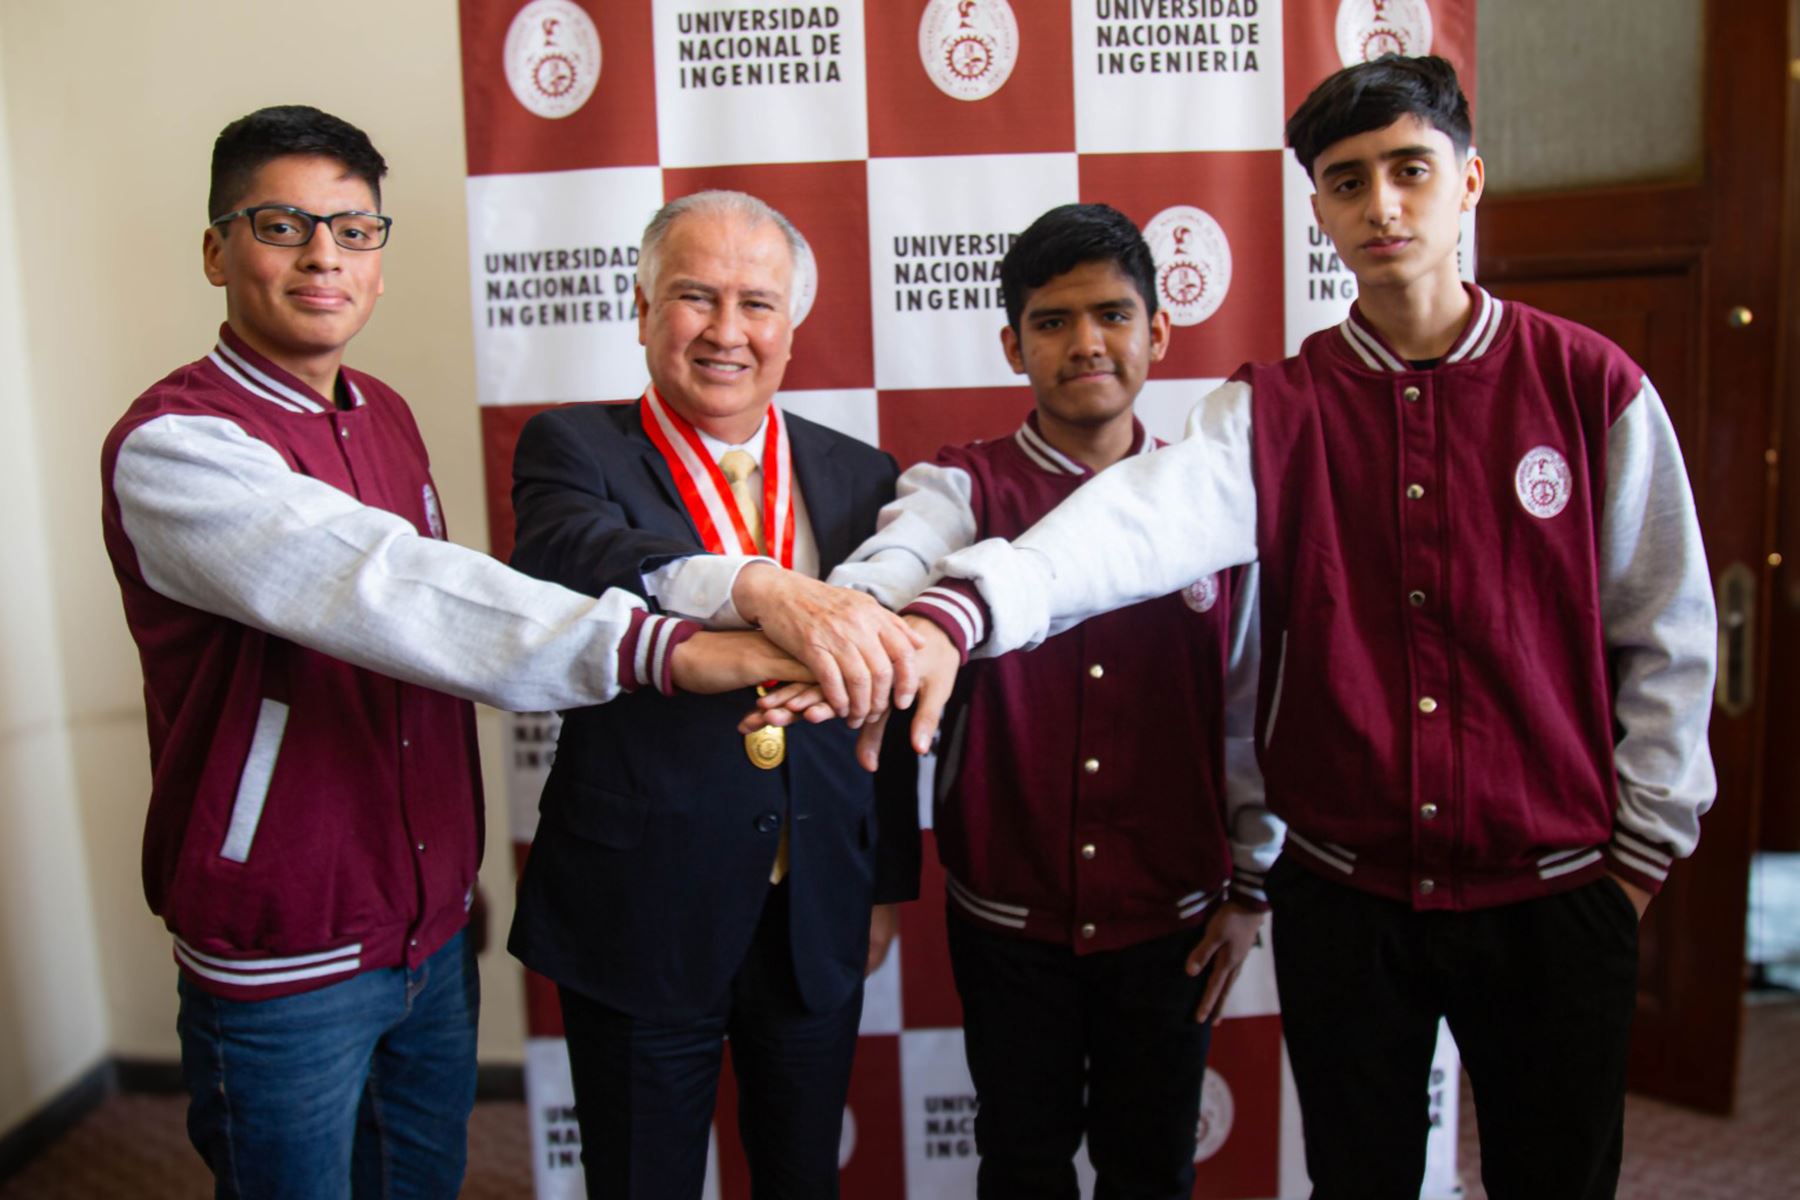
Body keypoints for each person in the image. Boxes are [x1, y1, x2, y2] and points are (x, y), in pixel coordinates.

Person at [785, 56, 1719, 1199]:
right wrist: (951, 614)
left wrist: (1637, 859)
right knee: (1356, 1182)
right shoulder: (1271, 412)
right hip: (1350, 899)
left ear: (1468, 182)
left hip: (1556, 889)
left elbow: (1667, 631)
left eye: (1410, 171)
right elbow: (1122, 526)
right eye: (1346, 181)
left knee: (1558, 1179)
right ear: (1317, 207)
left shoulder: (1593, 387)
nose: (1380, 206)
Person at [99, 107, 802, 1200]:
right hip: (287, 954)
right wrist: (674, 649)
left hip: (426, 933)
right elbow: (398, 595)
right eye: (282, 225)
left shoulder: (382, 415)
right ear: (215, 249)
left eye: (354, 229)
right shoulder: (176, 449)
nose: (324, 255)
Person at [817, 203, 1283, 1198]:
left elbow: (1248, 714)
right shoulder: (960, 489)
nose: (1086, 344)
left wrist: (1253, 885)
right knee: (1020, 1165)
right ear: (1012, 343)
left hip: (1176, 922)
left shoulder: (1212, 504)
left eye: (1114, 315)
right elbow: (899, 555)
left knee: (1152, 1169)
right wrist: (843, 610)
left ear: (1159, 332)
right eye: (1053, 321)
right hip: (1007, 921)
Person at [504, 190, 921, 1200]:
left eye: (758, 303)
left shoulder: (862, 474)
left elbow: (889, 696)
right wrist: (758, 587)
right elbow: (581, 558)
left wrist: (884, 879)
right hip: (638, 903)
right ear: (642, 306)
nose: (728, 332)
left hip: (816, 900)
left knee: (800, 1178)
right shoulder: (573, 449)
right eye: (696, 297)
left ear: (792, 325)